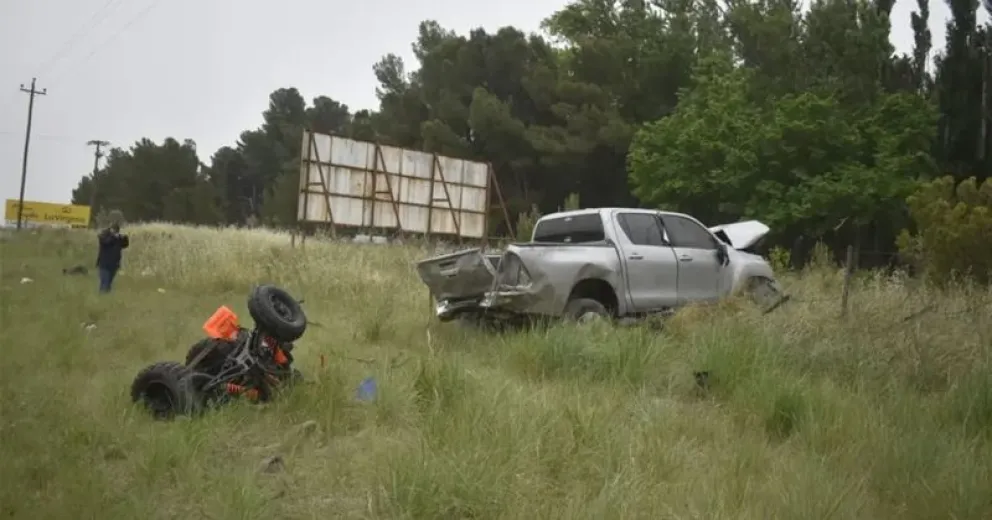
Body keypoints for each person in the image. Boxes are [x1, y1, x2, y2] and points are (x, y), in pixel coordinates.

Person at [96, 223, 129, 293]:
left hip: (114, 264)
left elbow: (125, 245)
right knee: (105, 283)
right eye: (114, 231)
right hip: (104, 264)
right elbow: (106, 242)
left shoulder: (117, 238)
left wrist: (124, 238)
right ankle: (103, 298)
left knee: (108, 283)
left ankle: (105, 299)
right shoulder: (104, 236)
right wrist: (113, 236)